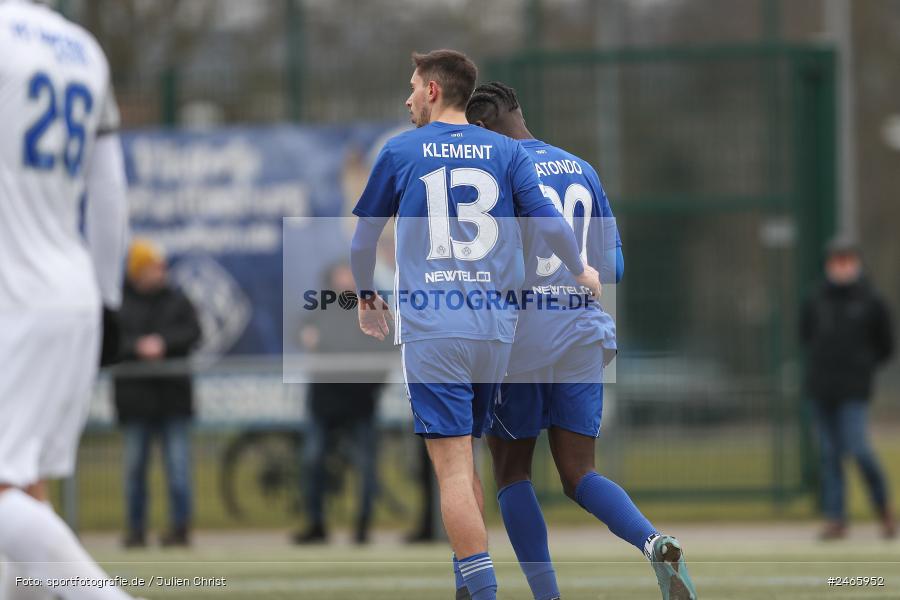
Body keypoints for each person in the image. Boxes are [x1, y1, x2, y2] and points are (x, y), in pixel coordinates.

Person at [349, 50, 601, 600]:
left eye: (413, 86)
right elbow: (551, 225)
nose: (408, 97)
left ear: (435, 91)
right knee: (471, 463)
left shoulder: (400, 151)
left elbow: (364, 239)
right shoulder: (507, 151)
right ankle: (469, 591)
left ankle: (484, 594)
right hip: (495, 331)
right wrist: (582, 269)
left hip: (435, 329)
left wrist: (368, 297)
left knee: (452, 468)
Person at [466, 82, 697, 600]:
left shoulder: (495, 172)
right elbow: (613, 267)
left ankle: (548, 597)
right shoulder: (581, 168)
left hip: (519, 342)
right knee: (579, 473)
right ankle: (654, 541)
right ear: (520, 115)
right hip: (582, 335)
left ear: (481, 130)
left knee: (511, 471)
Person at [0, 1, 133, 598]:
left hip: (11, 292)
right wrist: (107, 300)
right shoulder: (82, 47)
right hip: (72, 287)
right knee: (26, 492)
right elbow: (109, 192)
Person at [800, 237, 895, 540]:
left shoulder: (872, 300)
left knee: (858, 448)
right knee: (829, 454)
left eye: (847, 260)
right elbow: (804, 336)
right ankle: (836, 519)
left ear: (856, 262)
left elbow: (886, 345)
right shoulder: (816, 299)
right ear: (829, 264)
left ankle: (883, 508)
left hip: (854, 389)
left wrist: (862, 368)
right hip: (822, 388)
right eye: (836, 261)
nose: (842, 266)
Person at [293, 262, 390, 545]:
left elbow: (385, 346)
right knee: (312, 460)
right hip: (324, 401)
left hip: (361, 400)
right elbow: (301, 331)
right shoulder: (320, 307)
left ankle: (362, 527)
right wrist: (306, 336)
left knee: (366, 466)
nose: (344, 279)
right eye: (340, 273)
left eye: (350, 272)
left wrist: (373, 383)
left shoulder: (372, 307)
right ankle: (316, 524)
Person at [115, 239, 202, 548]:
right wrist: (137, 347)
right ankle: (136, 531)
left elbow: (193, 332)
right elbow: (111, 342)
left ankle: (180, 529)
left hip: (172, 399)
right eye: (154, 266)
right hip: (135, 401)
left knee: (178, 469)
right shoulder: (120, 303)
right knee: (134, 471)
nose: (161, 272)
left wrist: (163, 343)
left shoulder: (177, 299)